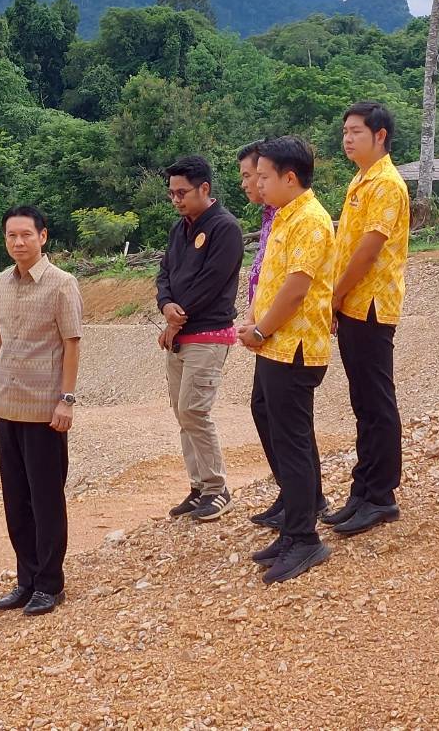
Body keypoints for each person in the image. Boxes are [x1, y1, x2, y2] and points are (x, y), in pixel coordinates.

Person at [237, 136, 337, 584]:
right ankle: (294, 525)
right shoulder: (284, 217)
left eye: (263, 176)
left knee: (293, 441)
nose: (257, 184)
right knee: (277, 428)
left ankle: (304, 538)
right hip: (274, 344)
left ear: (289, 177)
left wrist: (260, 329)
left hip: (292, 347)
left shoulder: (310, 221)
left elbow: (296, 288)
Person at [0, 206, 83, 617]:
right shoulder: (1, 284)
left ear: (43, 236)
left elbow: (71, 344)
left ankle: (50, 584)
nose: (18, 242)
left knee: (46, 500)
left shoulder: (62, 285)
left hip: (45, 411)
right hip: (8, 408)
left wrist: (67, 400)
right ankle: (26, 578)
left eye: (25, 235)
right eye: (10, 236)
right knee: (16, 501)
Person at [326, 101, 411, 537]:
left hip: (370, 304)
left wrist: (335, 294)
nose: (347, 138)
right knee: (363, 401)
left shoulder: (386, 184)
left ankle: (381, 495)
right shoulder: (360, 181)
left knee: (377, 401)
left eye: (356, 131)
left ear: (380, 135)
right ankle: (362, 490)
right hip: (352, 304)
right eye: (344, 131)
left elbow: (369, 248)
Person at [155, 154, 246, 522]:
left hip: (207, 333)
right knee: (182, 412)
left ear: (204, 188)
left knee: (194, 409)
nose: (176, 200)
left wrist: (175, 320)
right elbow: (164, 272)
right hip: (179, 333)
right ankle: (198, 487)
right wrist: (165, 305)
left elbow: (211, 282)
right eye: (172, 194)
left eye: (182, 193)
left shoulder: (225, 228)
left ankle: (217, 488)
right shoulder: (181, 229)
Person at [238, 141, 287, 528]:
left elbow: (293, 283)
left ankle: (302, 499)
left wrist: (261, 325)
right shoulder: (271, 217)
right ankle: (290, 492)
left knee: (283, 417)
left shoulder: (290, 217)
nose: (248, 183)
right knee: (263, 409)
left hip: (281, 332)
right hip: (264, 326)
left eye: (251, 175)